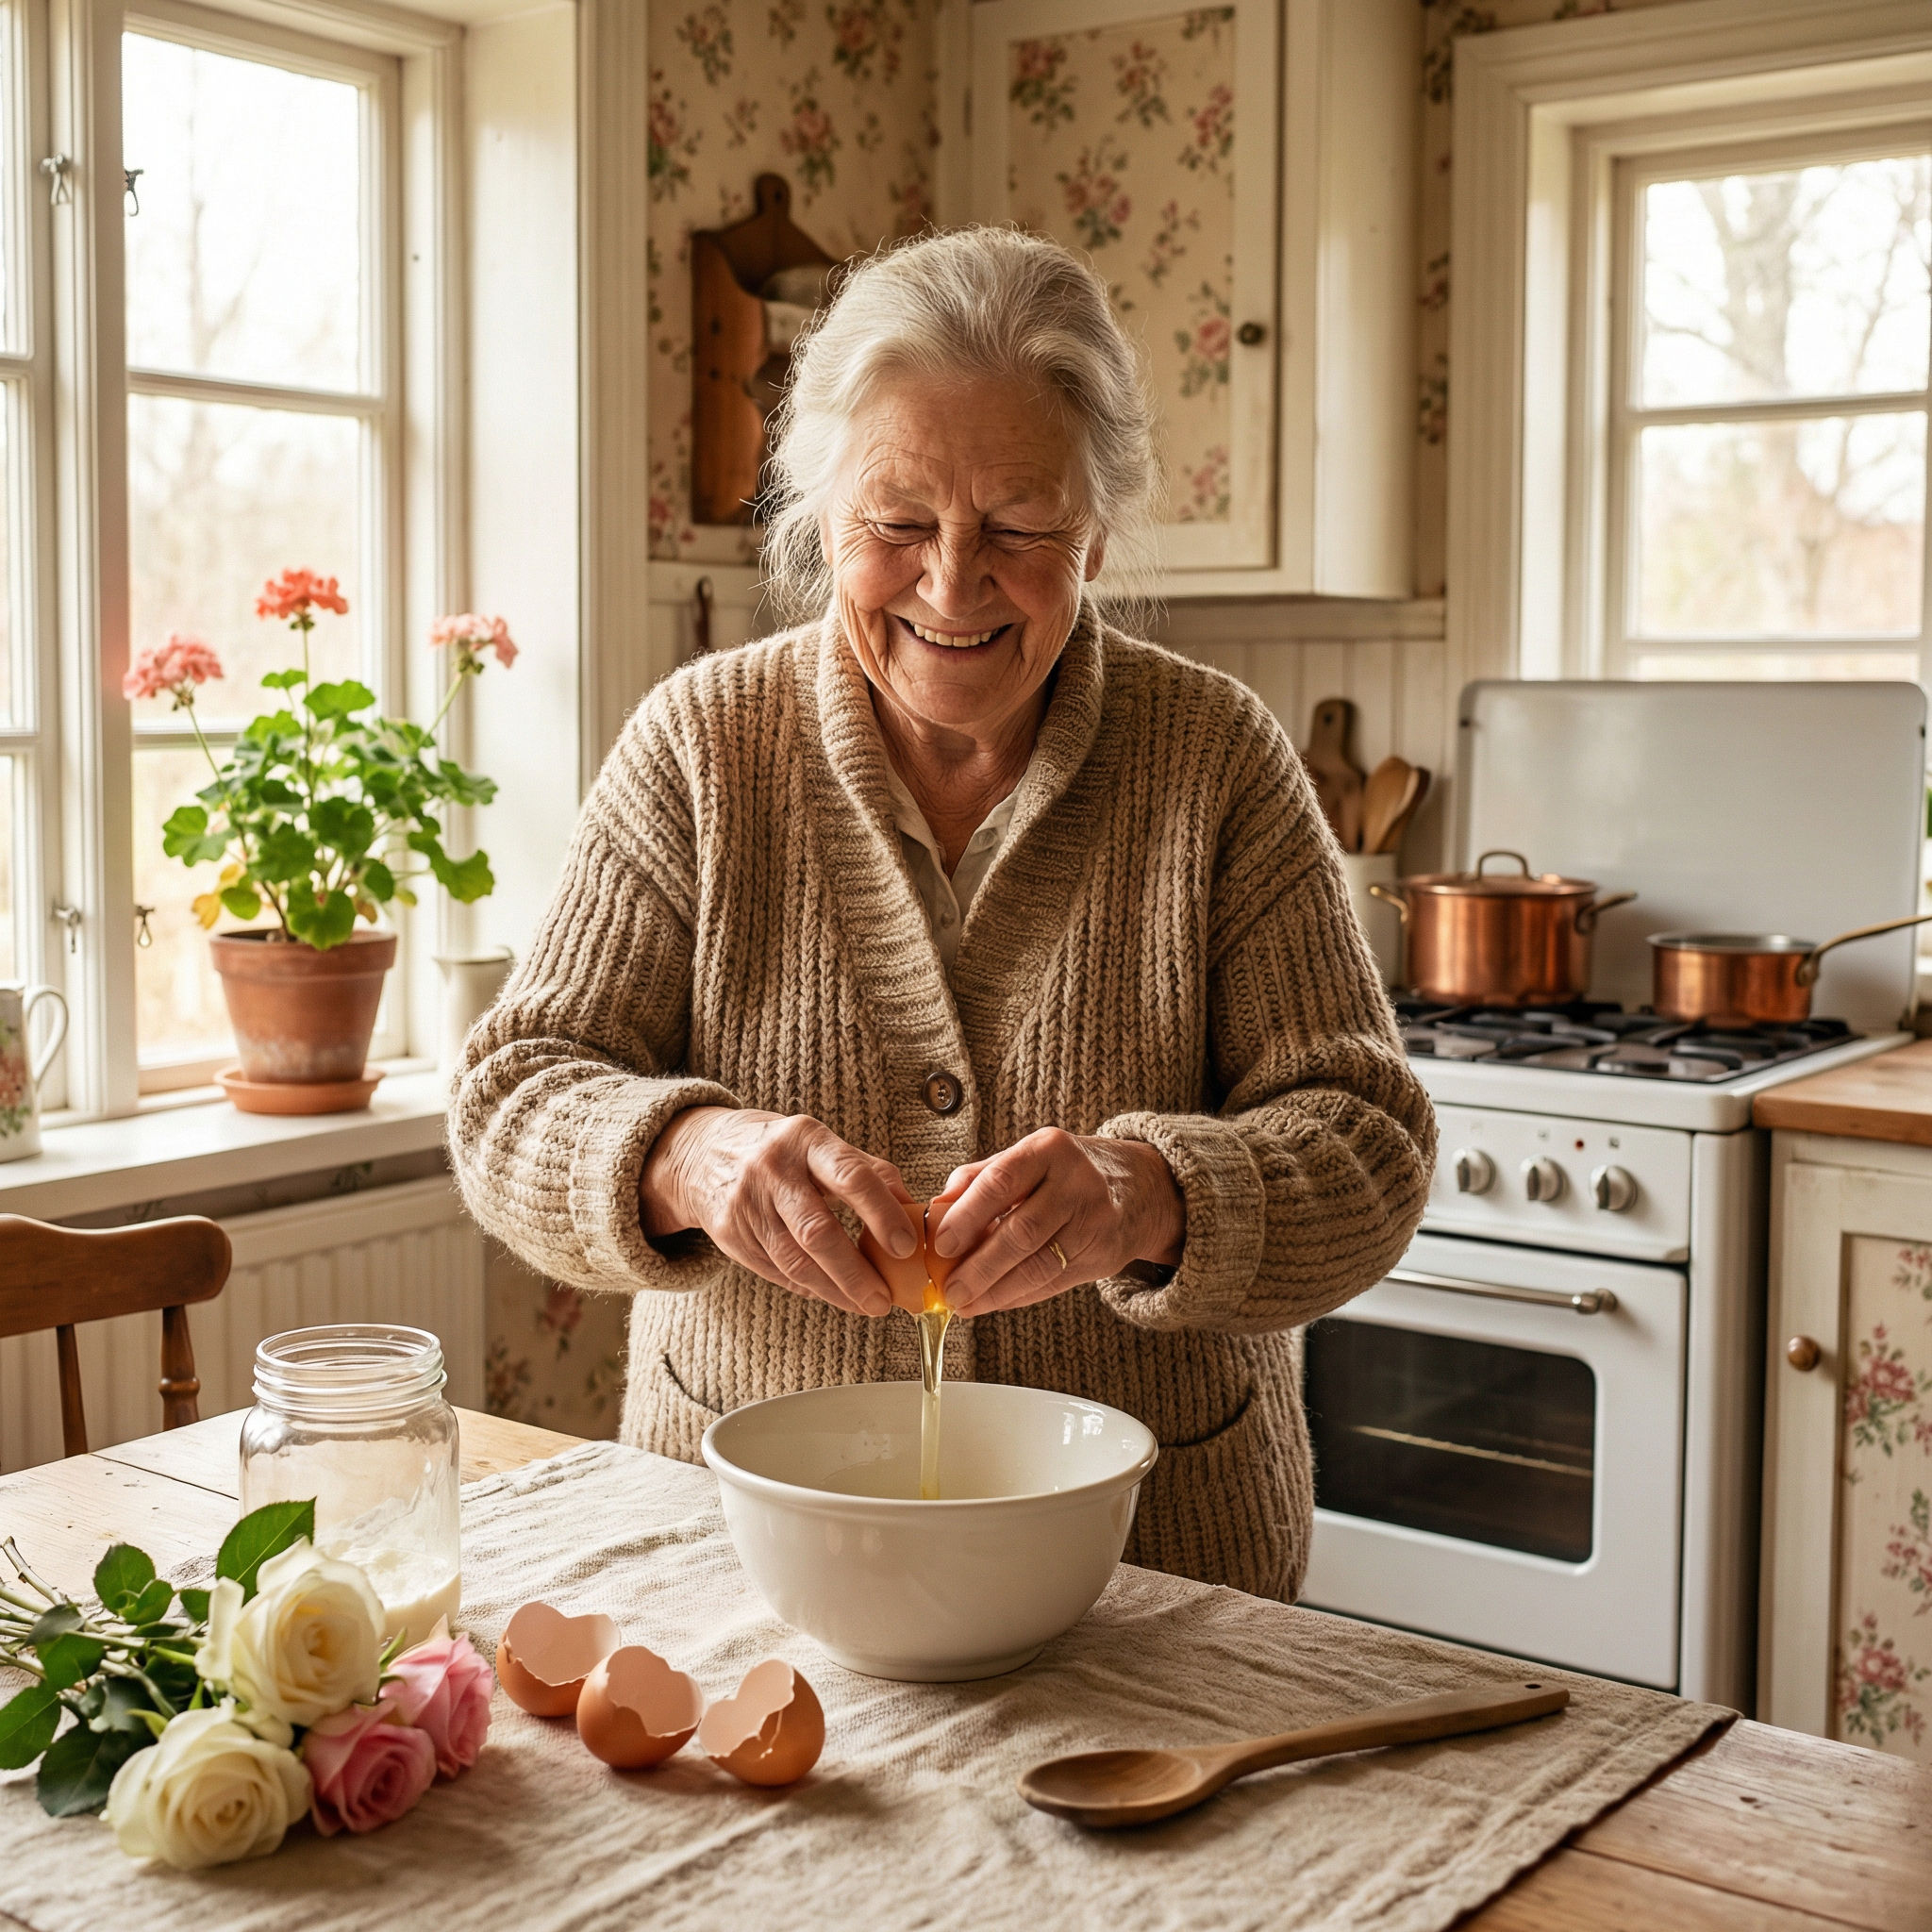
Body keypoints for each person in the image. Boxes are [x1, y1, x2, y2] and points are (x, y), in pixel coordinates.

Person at [449, 226, 1435, 1600]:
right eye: (898, 523)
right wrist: (688, 1155)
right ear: (821, 519)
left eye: (1020, 526)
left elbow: (1369, 1145)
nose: (953, 580)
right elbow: (511, 1098)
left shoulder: (1216, 758)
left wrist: (1151, 1196)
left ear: (1096, 533)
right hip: (748, 1554)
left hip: (1151, 1570)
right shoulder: (701, 746)